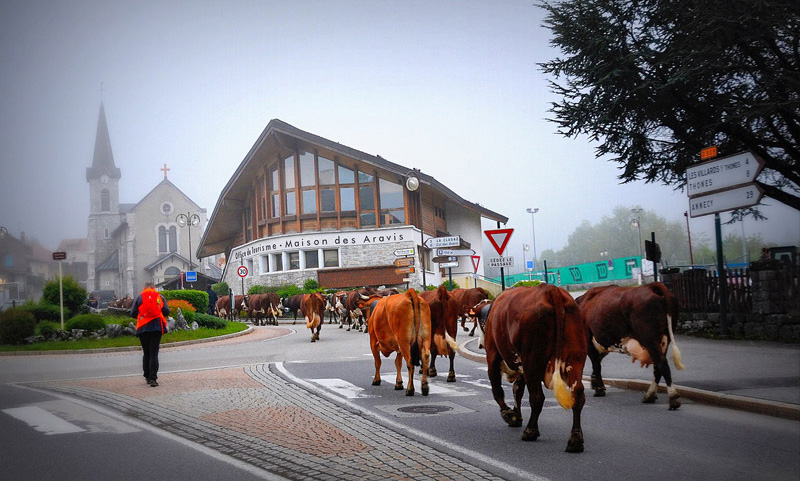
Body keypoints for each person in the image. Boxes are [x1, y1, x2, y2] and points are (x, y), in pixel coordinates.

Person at [130, 282, 169, 387]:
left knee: (146, 353)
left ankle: (147, 376)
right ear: (153, 287)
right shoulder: (159, 296)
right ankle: (153, 379)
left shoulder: (140, 297)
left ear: (144, 287)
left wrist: (142, 314)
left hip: (143, 328)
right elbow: (166, 311)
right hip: (156, 327)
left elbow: (133, 313)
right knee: (154, 353)